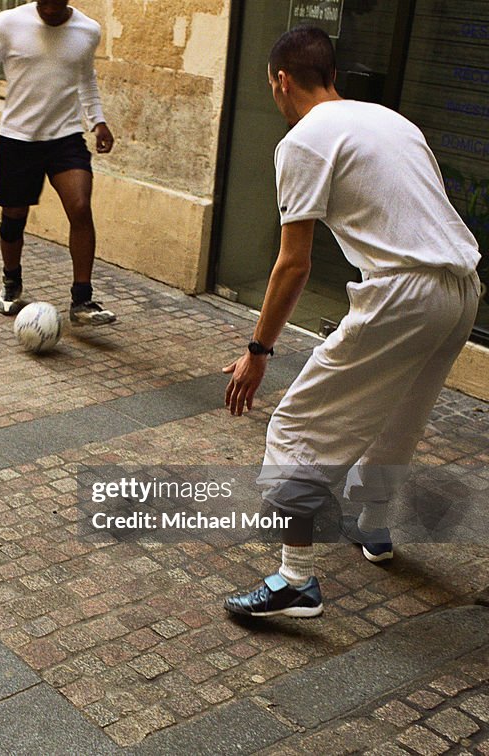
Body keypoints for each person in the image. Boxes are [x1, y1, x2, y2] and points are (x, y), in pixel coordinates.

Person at [222, 26, 480, 618]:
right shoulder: (393, 121)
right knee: (401, 414)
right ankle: (376, 527)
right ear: (329, 74)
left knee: (295, 426)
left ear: (282, 80)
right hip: (461, 289)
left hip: (405, 292)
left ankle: (295, 581)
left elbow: (293, 263)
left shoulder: (302, 142)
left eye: (271, 88)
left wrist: (258, 351)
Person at [0, 0, 117, 325]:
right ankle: (11, 283)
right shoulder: (10, 21)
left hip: (65, 136)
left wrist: (97, 120)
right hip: (19, 137)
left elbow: (86, 77)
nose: (49, 8)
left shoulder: (88, 30)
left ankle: (82, 300)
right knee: (14, 216)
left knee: (80, 207)